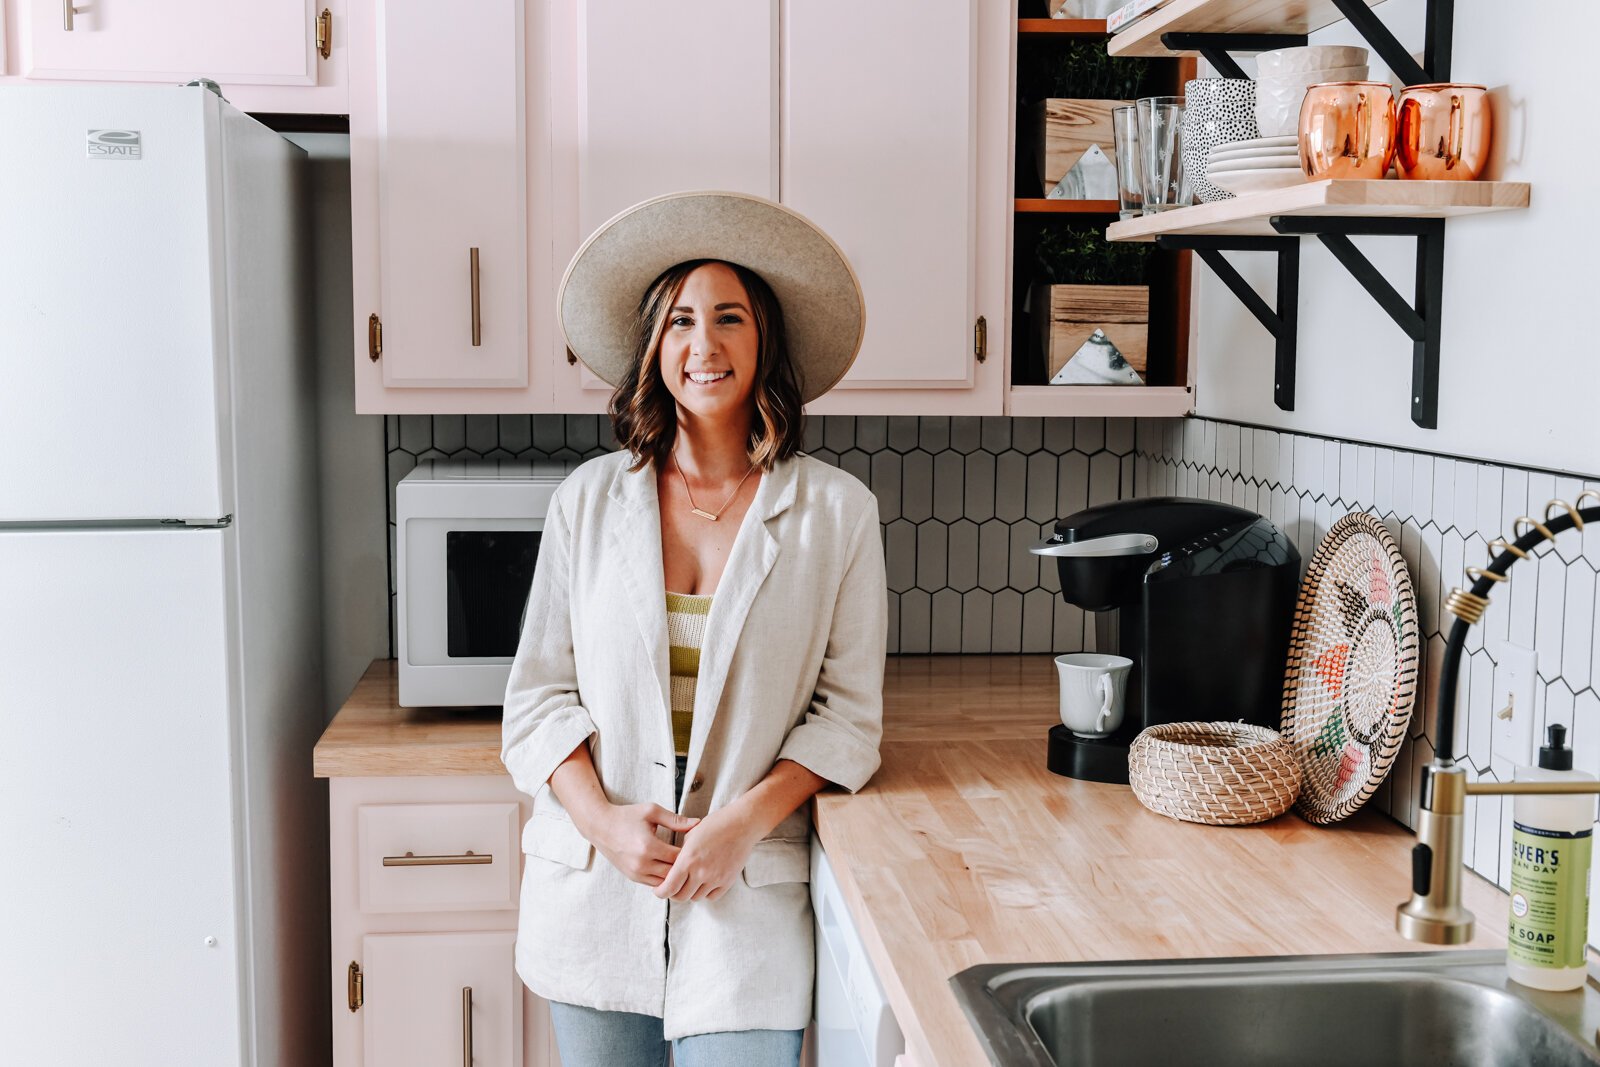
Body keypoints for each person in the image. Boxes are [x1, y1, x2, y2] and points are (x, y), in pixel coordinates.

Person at [501, 191, 887, 1067]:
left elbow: (849, 718)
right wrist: (600, 820)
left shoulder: (838, 514)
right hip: (598, 891)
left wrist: (742, 822)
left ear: (764, 342)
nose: (703, 345)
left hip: (745, 899)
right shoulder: (586, 503)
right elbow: (537, 699)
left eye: (729, 318)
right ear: (654, 347)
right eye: (679, 320)